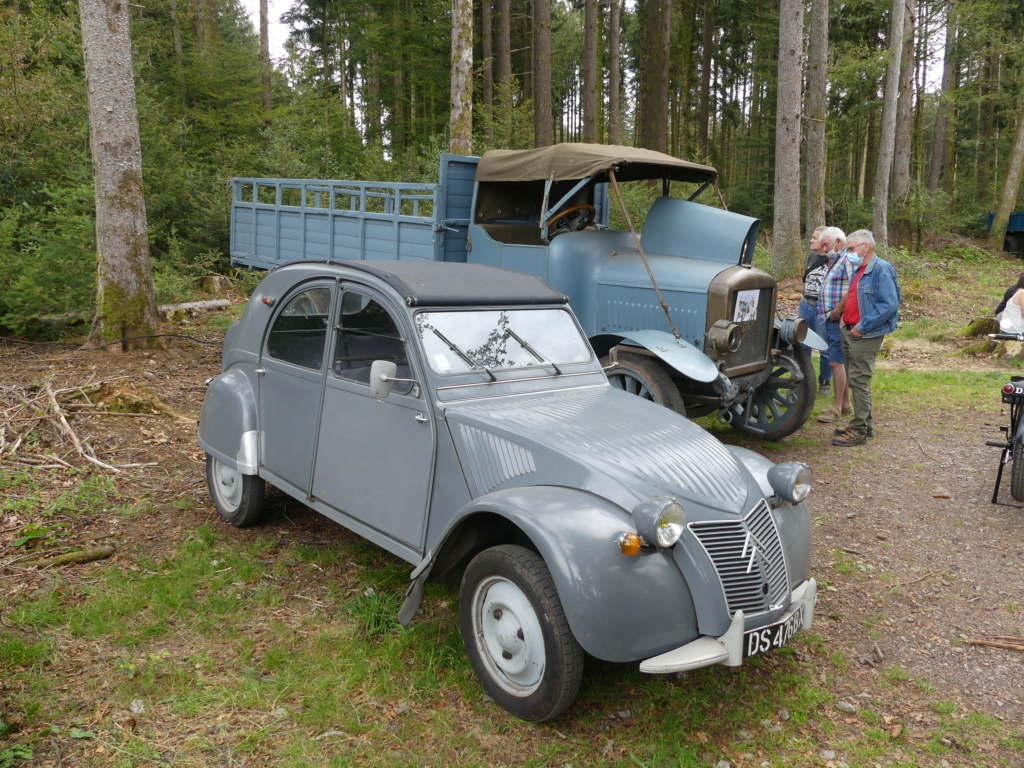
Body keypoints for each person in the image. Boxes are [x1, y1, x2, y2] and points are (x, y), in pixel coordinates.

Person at [832, 230, 901, 447]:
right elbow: (854, 297)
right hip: (850, 330)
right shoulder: (860, 269)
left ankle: (859, 429)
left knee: (860, 380)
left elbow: (888, 305)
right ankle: (864, 424)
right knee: (855, 378)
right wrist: (845, 317)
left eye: (851, 249)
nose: (849, 253)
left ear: (865, 247)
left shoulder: (881, 269)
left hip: (864, 333)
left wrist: (862, 327)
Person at [815, 226, 853, 423]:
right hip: (831, 317)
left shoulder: (847, 259)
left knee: (836, 362)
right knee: (837, 360)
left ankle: (836, 408)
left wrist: (838, 311)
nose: (823, 248)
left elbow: (854, 287)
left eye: (826, 244)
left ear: (839, 241)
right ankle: (846, 404)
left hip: (838, 318)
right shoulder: (835, 259)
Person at [799, 227, 832, 396]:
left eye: (815, 238)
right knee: (803, 344)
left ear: (825, 242)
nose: (811, 240)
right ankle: (805, 381)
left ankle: (825, 383)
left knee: (824, 347)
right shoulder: (811, 257)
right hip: (805, 306)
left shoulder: (833, 260)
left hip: (822, 309)